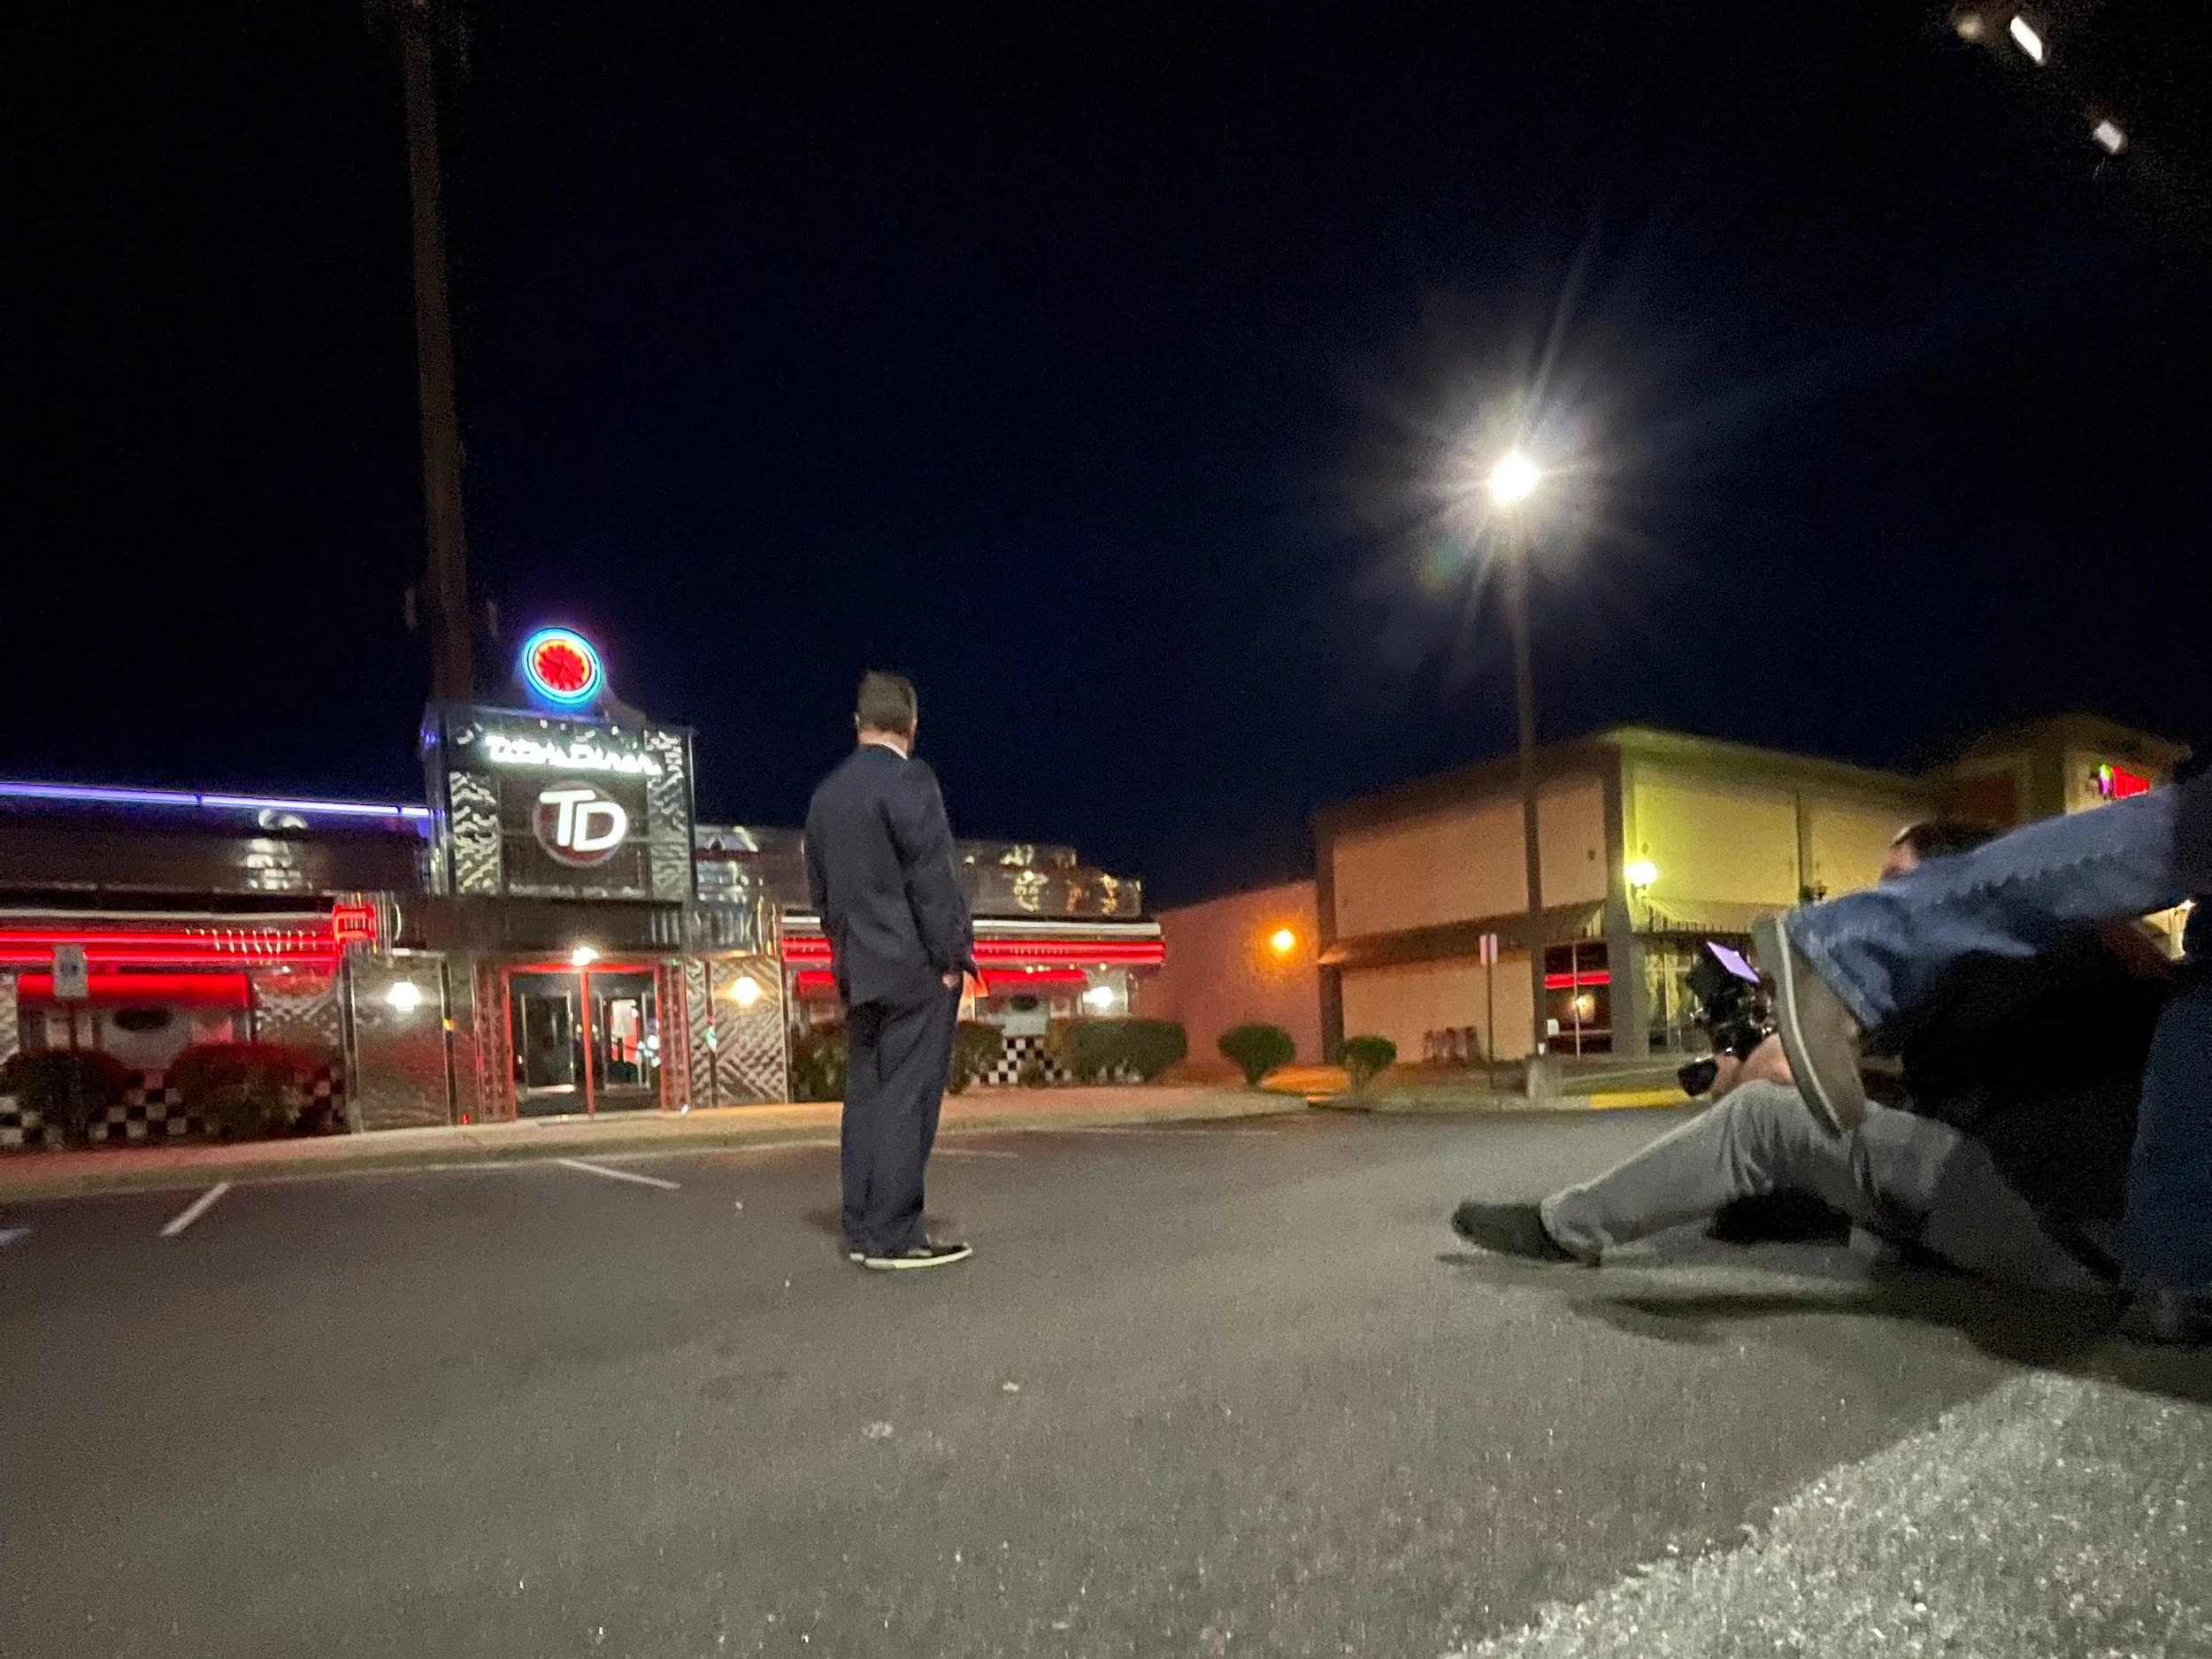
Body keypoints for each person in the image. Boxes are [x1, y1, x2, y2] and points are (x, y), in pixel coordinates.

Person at [1449, 821, 2167, 1294]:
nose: (1886, 910)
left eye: (1897, 888)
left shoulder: (1945, 946)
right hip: (2146, 1239)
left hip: (2069, 1243)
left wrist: (1734, 1076)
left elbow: (1781, 1081)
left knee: (1763, 1120)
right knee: (1862, 1168)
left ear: (1944, 887)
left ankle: (1564, 1226)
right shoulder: (2075, 938)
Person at [1753, 768, 2212, 1340]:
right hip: (2098, 1228)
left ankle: (1848, 947)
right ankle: (2184, 1267)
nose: (1883, 886)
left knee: (2186, 829)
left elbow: (1778, 1071)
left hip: (2061, 1220)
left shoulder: (1980, 966)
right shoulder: (2100, 956)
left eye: (1898, 882)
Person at [803, 670, 977, 1271]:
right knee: (909, 1097)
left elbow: (822, 896)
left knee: (868, 1097)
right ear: (912, 725)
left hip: (860, 969)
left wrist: (848, 951)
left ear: (858, 725)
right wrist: (951, 958)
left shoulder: (825, 797)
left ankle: (861, 1222)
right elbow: (934, 880)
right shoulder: (911, 781)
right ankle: (895, 1233)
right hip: (916, 970)